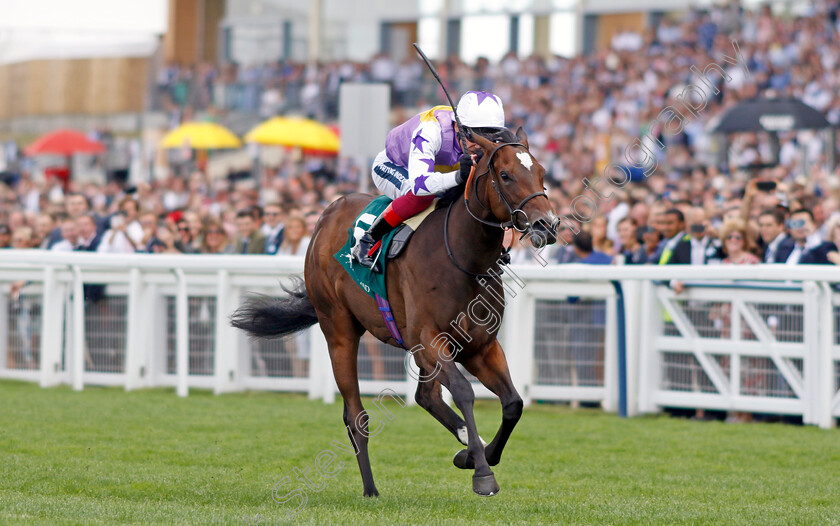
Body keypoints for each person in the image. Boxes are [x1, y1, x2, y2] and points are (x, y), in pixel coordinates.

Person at [352, 90, 507, 270]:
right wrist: (457, 176)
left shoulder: (474, 139)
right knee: (422, 197)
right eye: (475, 136)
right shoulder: (429, 131)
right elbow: (419, 185)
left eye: (489, 137)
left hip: (434, 172)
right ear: (458, 126)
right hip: (394, 167)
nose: (481, 145)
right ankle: (367, 240)